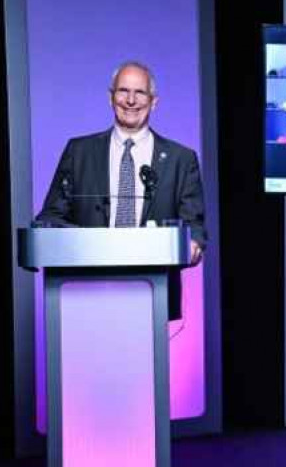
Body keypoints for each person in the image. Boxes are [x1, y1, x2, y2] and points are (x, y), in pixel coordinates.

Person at [36, 61, 206, 319]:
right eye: (123, 91)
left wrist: (192, 244)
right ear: (110, 97)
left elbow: (194, 225)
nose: (130, 100)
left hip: (152, 295)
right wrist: (85, 242)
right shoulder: (79, 151)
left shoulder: (180, 159)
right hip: (84, 294)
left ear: (154, 101)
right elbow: (51, 216)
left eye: (139, 93)